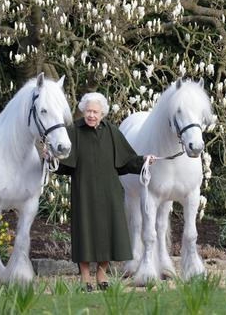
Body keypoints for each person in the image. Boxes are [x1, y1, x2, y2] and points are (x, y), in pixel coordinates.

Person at [54, 92, 154, 292]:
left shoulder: (112, 132)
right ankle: (85, 276)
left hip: (109, 191)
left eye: (95, 112)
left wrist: (144, 160)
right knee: (85, 232)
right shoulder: (73, 131)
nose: (91, 115)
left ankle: (101, 273)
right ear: (83, 111)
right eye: (88, 111)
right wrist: (51, 158)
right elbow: (63, 164)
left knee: (109, 232)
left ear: (102, 114)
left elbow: (126, 161)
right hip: (84, 190)